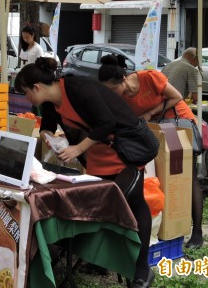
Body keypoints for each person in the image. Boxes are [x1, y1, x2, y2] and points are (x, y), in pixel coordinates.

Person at [15, 57, 155, 288]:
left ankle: (141, 270)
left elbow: (107, 123)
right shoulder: (50, 102)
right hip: (99, 153)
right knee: (99, 205)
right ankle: (102, 259)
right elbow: (47, 124)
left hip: (126, 149)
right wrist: (47, 137)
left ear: (37, 88)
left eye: (26, 93)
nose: (27, 98)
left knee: (132, 203)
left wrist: (77, 148)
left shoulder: (79, 88)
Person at [98, 54, 204, 249]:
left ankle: (197, 231)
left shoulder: (148, 77)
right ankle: (168, 225)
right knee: (165, 177)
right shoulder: (119, 98)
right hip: (155, 131)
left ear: (123, 79)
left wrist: (149, 113)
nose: (113, 94)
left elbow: (177, 97)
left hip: (177, 125)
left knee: (187, 175)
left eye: (114, 89)